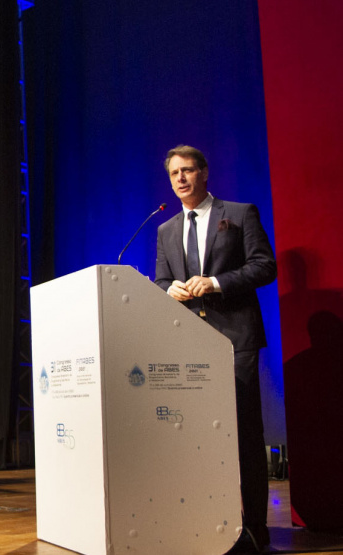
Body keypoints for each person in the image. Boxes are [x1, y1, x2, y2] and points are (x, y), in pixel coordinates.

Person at [154, 145, 276, 552]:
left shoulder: (239, 214)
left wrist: (216, 282)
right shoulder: (165, 229)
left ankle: (255, 527)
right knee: (196, 439)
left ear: (205, 173)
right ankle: (208, 524)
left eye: (188, 171)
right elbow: (158, 282)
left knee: (243, 433)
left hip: (235, 341)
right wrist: (167, 289)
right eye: (175, 174)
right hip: (190, 345)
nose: (181, 179)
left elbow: (265, 266)